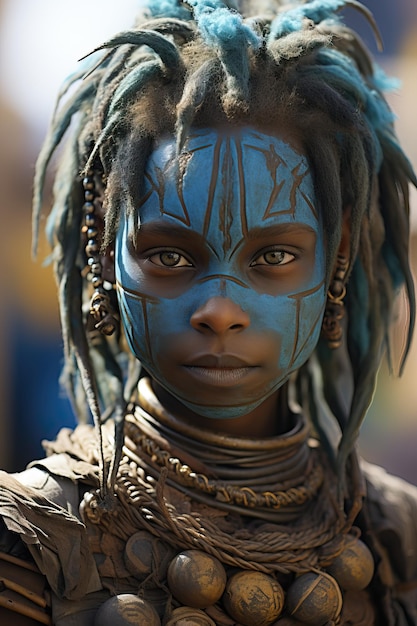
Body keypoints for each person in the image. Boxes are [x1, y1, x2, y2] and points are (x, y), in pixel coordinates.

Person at [1, 0, 417, 624]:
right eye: (169, 256)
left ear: (339, 256)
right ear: (102, 250)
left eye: (274, 255)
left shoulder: (398, 542)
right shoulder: (31, 546)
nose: (219, 310)